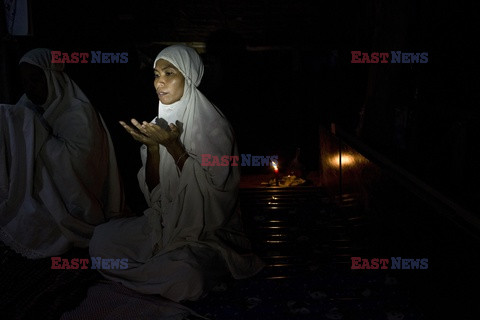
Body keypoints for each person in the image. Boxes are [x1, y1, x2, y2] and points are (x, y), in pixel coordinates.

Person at [89, 44, 264, 302]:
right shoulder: (158, 124)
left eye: (169, 73)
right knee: (101, 241)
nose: (160, 82)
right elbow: (155, 195)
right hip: (164, 226)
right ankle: (151, 271)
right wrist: (153, 149)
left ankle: (145, 272)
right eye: (156, 74)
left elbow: (216, 201)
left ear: (188, 76)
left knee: (185, 274)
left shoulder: (215, 127)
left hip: (206, 236)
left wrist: (172, 145)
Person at [0, 48, 124, 259]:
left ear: (51, 76)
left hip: (77, 202)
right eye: (25, 82)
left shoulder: (78, 112)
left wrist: (35, 134)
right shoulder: (28, 104)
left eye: (36, 79)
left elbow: (80, 165)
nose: (30, 88)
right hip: (47, 192)